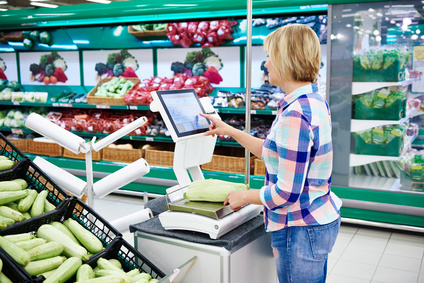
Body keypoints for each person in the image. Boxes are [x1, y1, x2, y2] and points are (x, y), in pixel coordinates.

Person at [200, 24, 342, 283]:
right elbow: (273, 152)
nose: (265, 65)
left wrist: (244, 196)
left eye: (269, 56)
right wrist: (230, 130)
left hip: (298, 228)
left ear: (286, 59)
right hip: (317, 218)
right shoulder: (311, 101)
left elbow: (286, 193)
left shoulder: (295, 115)